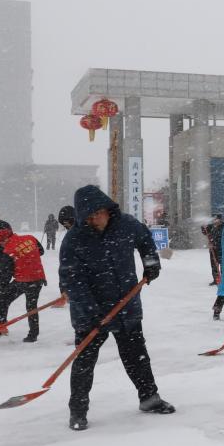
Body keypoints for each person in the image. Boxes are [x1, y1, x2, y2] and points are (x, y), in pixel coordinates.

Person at [59, 184, 171, 432]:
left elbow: (145, 240)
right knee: (84, 363)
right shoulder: (74, 240)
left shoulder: (127, 225)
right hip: (90, 314)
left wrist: (151, 263)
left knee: (137, 356)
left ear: (108, 209)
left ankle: (149, 399)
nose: (95, 219)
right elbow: (72, 280)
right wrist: (92, 312)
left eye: (99, 212)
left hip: (126, 307)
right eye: (89, 216)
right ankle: (78, 411)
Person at [0, 227, 47, 342]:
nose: (1, 246)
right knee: (31, 307)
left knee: (3, 299)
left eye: (0, 244)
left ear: (5, 240)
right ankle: (33, 334)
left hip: (23, 280)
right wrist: (27, 256)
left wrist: (2, 287)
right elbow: (41, 251)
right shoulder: (30, 238)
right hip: (38, 278)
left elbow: (7, 273)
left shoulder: (8, 250)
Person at [201, 213, 224, 286]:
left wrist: (214, 243)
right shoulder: (211, 226)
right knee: (214, 265)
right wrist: (203, 227)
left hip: (221, 249)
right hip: (213, 249)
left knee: (223, 265)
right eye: (213, 219)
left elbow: (221, 238)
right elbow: (205, 232)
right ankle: (216, 279)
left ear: (220, 219)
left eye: (216, 219)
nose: (214, 221)